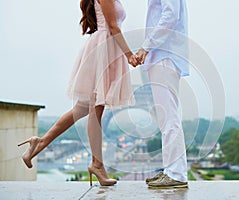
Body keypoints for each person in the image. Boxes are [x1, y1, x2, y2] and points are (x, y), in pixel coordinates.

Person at [17, 0, 138, 186]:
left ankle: (39, 143)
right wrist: (129, 54)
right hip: (103, 49)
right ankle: (97, 164)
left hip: (106, 49)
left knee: (82, 108)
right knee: (95, 108)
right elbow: (113, 26)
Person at [136, 0, 189, 188]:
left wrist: (146, 47)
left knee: (169, 117)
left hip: (164, 55)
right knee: (166, 118)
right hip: (163, 55)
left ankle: (176, 174)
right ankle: (171, 170)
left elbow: (170, 16)